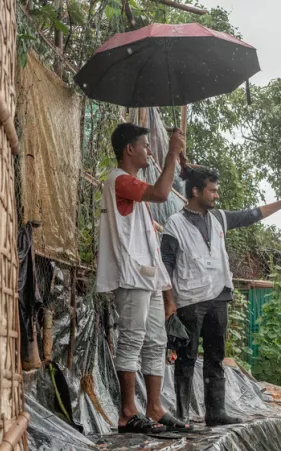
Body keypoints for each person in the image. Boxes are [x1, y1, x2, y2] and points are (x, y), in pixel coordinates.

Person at [161, 165, 281, 426]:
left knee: (215, 357)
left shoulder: (219, 218)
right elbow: (165, 266)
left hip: (218, 297)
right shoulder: (175, 225)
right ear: (196, 191)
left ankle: (215, 413)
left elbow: (251, 215)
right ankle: (182, 415)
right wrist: (169, 302)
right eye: (212, 190)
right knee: (186, 358)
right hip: (189, 300)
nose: (216, 196)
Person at [96, 123, 193, 434]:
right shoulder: (119, 181)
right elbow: (162, 194)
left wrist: (166, 294)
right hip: (132, 276)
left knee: (156, 341)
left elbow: (150, 246)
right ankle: (127, 413)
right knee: (132, 339)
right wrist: (173, 153)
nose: (149, 150)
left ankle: (154, 407)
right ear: (129, 150)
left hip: (147, 277)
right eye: (145, 145)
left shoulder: (132, 189)